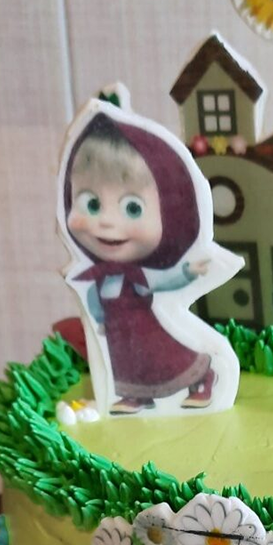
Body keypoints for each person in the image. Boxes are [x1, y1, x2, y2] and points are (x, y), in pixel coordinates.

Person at [65, 114, 216, 413]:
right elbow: (95, 302)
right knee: (127, 367)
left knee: (167, 360)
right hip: (119, 338)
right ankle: (136, 396)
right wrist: (99, 322)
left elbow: (165, 281)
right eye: (92, 204)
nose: (107, 222)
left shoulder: (137, 276)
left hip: (149, 335)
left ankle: (202, 377)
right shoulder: (96, 278)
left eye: (132, 208)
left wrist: (188, 271)